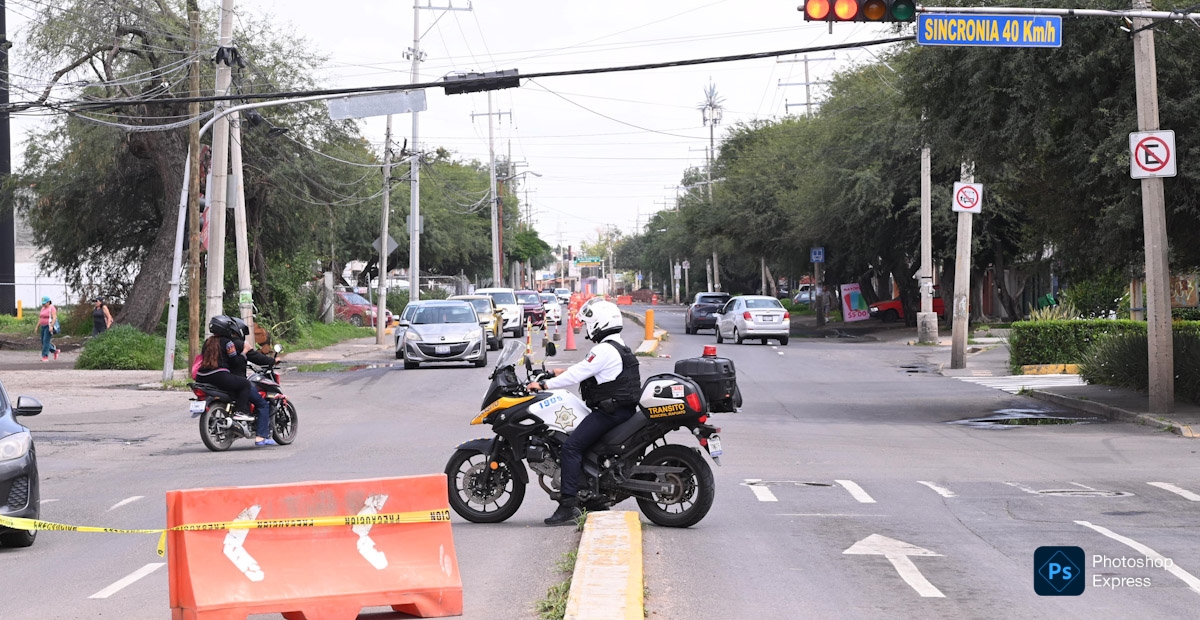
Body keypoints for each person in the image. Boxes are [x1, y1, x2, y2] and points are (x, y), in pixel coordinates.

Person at [526, 299, 641, 526]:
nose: (588, 329)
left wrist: (545, 385)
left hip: (610, 413)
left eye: (589, 324)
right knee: (583, 445)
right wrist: (558, 372)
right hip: (622, 411)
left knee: (570, 447)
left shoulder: (604, 349)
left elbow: (578, 374)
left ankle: (568, 504)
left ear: (599, 323)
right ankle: (593, 497)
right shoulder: (618, 347)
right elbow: (587, 369)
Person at [196, 315, 276, 447]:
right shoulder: (229, 343)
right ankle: (249, 423)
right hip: (220, 376)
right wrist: (245, 351)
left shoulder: (208, 342)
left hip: (202, 376)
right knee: (246, 385)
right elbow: (236, 361)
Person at [35, 296, 59, 362]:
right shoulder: (43, 308)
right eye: (42, 303)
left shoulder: (52, 308)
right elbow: (41, 318)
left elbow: (54, 317)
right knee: (43, 341)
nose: (43, 304)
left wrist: (51, 326)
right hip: (43, 326)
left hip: (48, 326)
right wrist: (37, 326)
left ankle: (45, 356)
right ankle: (55, 351)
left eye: (44, 303)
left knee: (46, 341)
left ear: (48, 302)